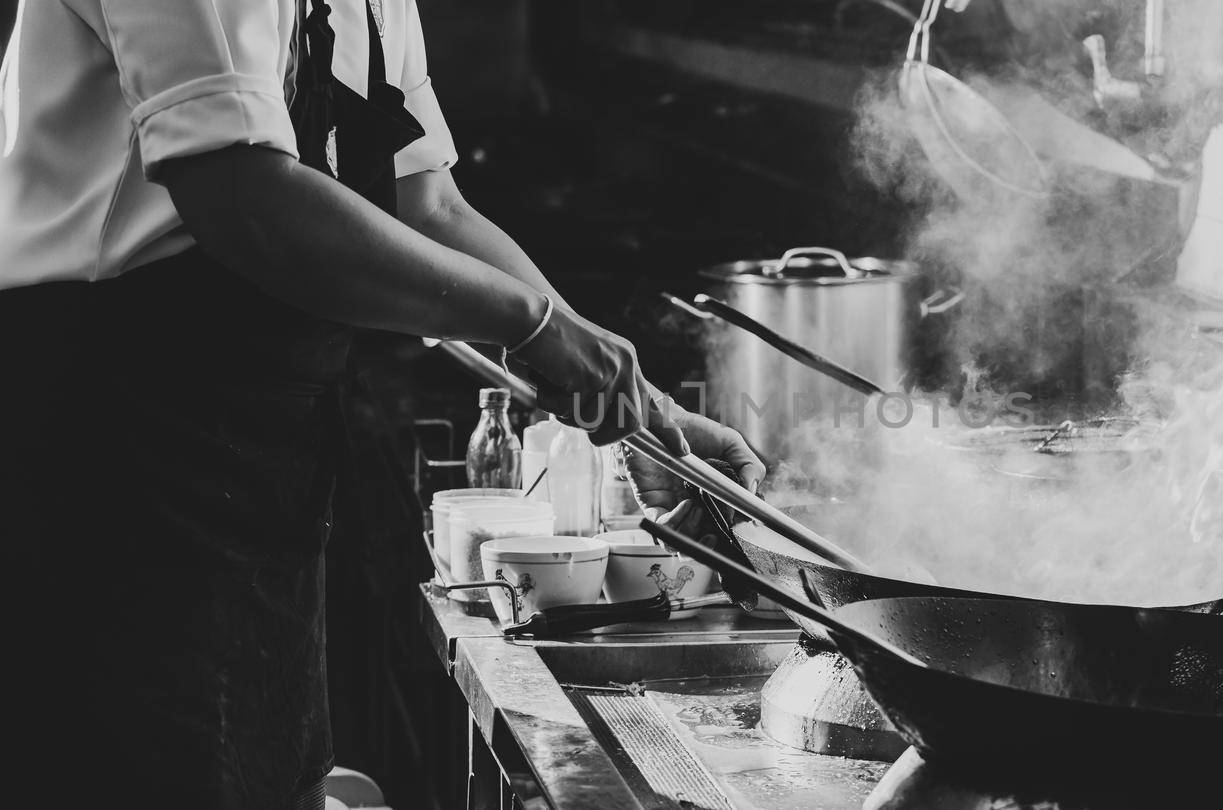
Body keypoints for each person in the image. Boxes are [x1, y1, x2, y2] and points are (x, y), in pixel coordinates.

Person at [0, 2, 763, 808]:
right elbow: (237, 190)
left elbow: (428, 206)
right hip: (106, 454)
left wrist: (637, 411)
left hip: (260, 460)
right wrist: (529, 324)